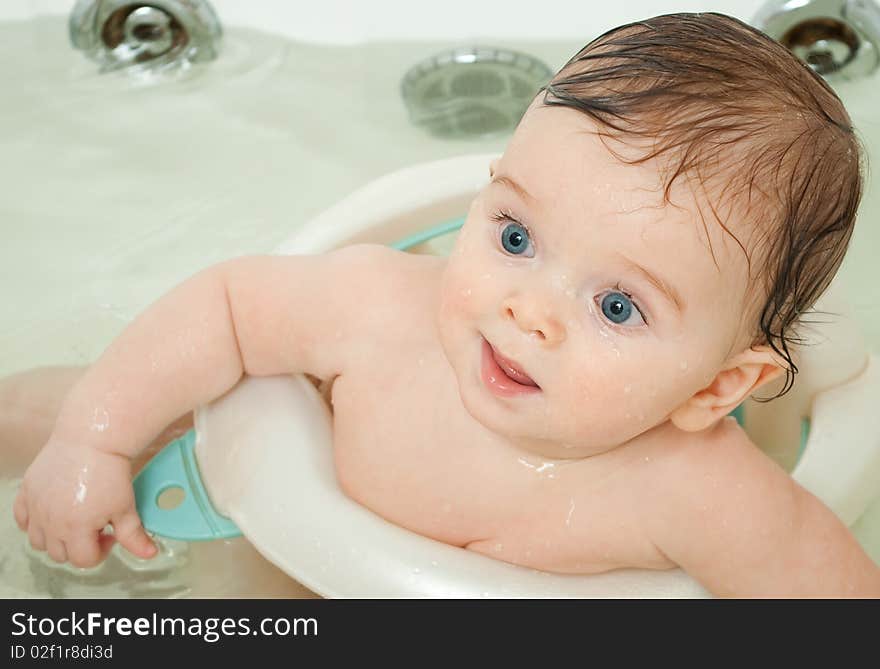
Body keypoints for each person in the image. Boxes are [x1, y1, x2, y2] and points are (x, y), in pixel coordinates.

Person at [6, 12, 880, 596]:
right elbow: (228, 307)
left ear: (717, 388)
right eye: (514, 237)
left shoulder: (701, 495)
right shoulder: (381, 311)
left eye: (618, 308)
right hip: (248, 532)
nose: (528, 312)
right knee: (42, 409)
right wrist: (95, 439)